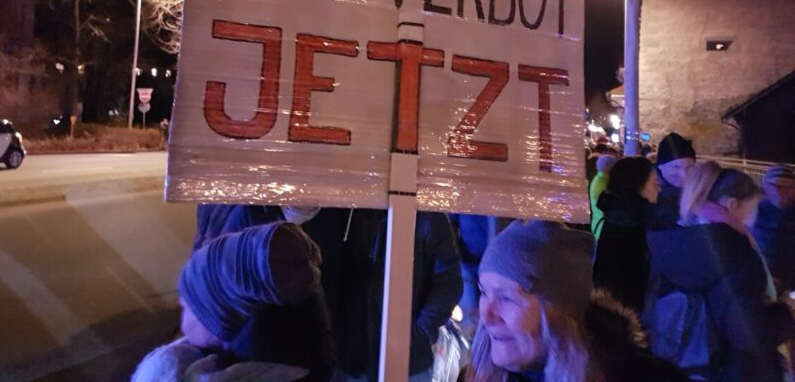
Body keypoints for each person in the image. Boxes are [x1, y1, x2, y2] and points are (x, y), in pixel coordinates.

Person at [193, 204, 462, 382]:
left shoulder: (424, 214)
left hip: (408, 363)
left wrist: (417, 332)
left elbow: (448, 279)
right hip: (348, 360)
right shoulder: (342, 211)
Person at [464, 220, 688, 382]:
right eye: (484, 293)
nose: (487, 315)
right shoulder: (475, 376)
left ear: (561, 310)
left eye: (507, 298)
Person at [131, 221, 334, 382]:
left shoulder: (172, 370)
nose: (182, 312)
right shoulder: (300, 363)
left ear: (223, 320)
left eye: (188, 306)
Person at [645, 161, 783, 382]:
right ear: (732, 205)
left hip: (683, 369)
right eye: (753, 208)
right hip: (732, 373)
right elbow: (747, 335)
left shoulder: (671, 242)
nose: (754, 220)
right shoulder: (736, 253)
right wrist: (783, 317)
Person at [593, 156, 659, 312]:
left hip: (610, 310)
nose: (659, 188)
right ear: (637, 185)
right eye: (655, 182)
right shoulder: (639, 223)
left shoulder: (617, 217)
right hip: (632, 314)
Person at [752, 164, 795, 293]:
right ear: (765, 187)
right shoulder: (752, 213)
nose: (781, 192)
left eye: (788, 187)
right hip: (762, 282)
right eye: (776, 186)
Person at [651, 132, 697, 227]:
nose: (683, 174)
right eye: (676, 167)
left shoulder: (701, 187)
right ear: (660, 166)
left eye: (689, 167)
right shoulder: (647, 196)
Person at [589, 155, 618, 240]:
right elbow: (607, 206)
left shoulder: (601, 180)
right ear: (610, 168)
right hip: (602, 227)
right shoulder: (601, 183)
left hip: (600, 225)